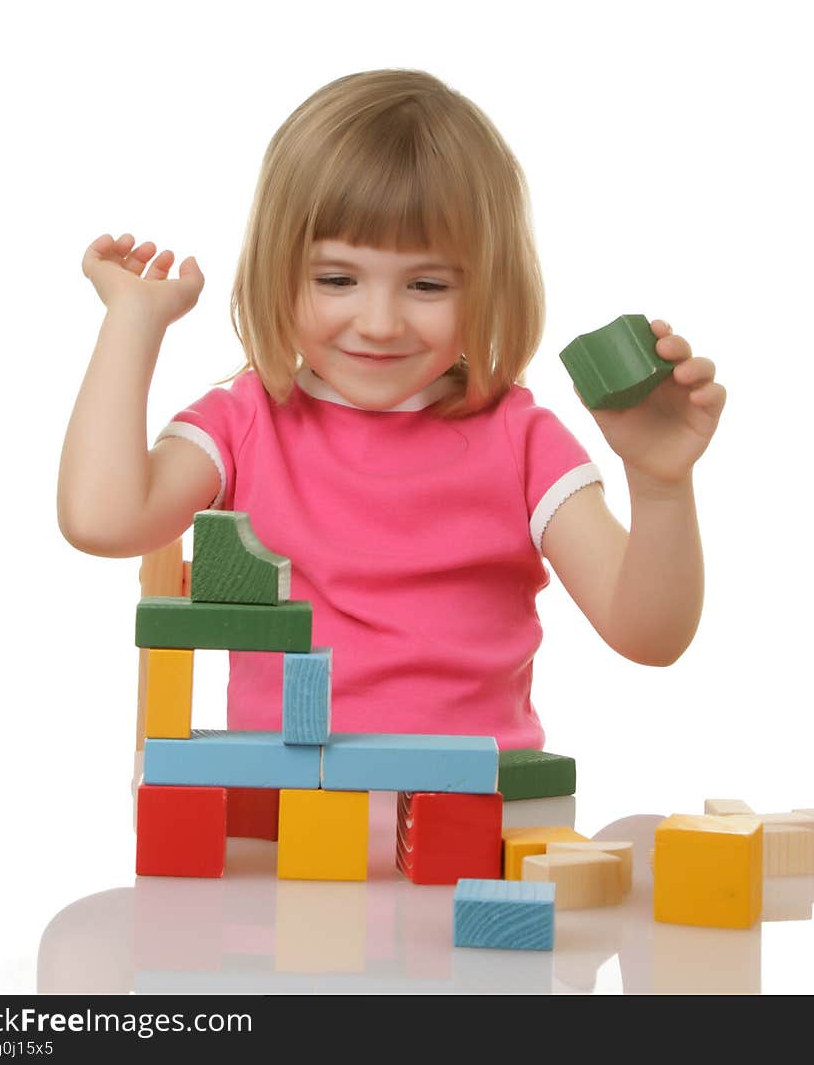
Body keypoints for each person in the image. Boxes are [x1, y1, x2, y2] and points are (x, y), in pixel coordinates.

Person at [57, 68, 726, 751]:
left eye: (428, 284)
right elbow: (101, 520)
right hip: (281, 836)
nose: (379, 323)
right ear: (278, 271)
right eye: (337, 279)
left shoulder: (523, 440)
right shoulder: (247, 420)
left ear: (490, 287)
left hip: (472, 831)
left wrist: (661, 485)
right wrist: (132, 324)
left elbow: (649, 636)